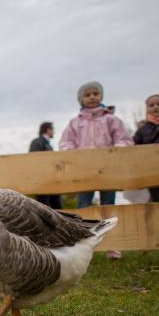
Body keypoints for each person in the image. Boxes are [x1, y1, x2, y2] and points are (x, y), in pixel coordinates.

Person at [59, 81, 132, 260]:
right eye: (88, 94)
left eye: (95, 93)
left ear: (100, 96)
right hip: (84, 173)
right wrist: (73, 154)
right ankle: (80, 247)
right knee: (83, 209)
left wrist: (116, 150)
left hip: (108, 171)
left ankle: (113, 247)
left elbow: (124, 139)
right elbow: (66, 143)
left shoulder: (111, 119)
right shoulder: (75, 123)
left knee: (109, 208)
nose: (92, 97)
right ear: (81, 99)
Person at [28, 122, 62, 209]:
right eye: (52, 130)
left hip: (51, 180)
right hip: (42, 182)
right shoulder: (37, 142)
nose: (53, 132)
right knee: (43, 207)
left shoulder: (48, 144)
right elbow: (33, 160)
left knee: (56, 206)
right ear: (47, 130)